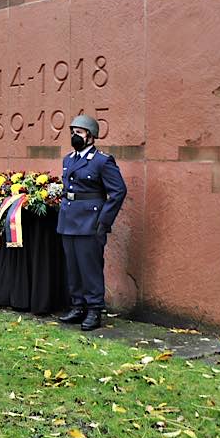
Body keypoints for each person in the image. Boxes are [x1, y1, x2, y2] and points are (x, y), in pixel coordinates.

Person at [56, 115, 127, 331]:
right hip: (69, 220)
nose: (74, 136)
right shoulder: (68, 160)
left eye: (79, 132)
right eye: (72, 132)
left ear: (91, 136)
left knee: (90, 268)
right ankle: (78, 307)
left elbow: (118, 191)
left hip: (90, 222)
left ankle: (94, 310)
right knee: (73, 267)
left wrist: (103, 221)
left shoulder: (102, 161)